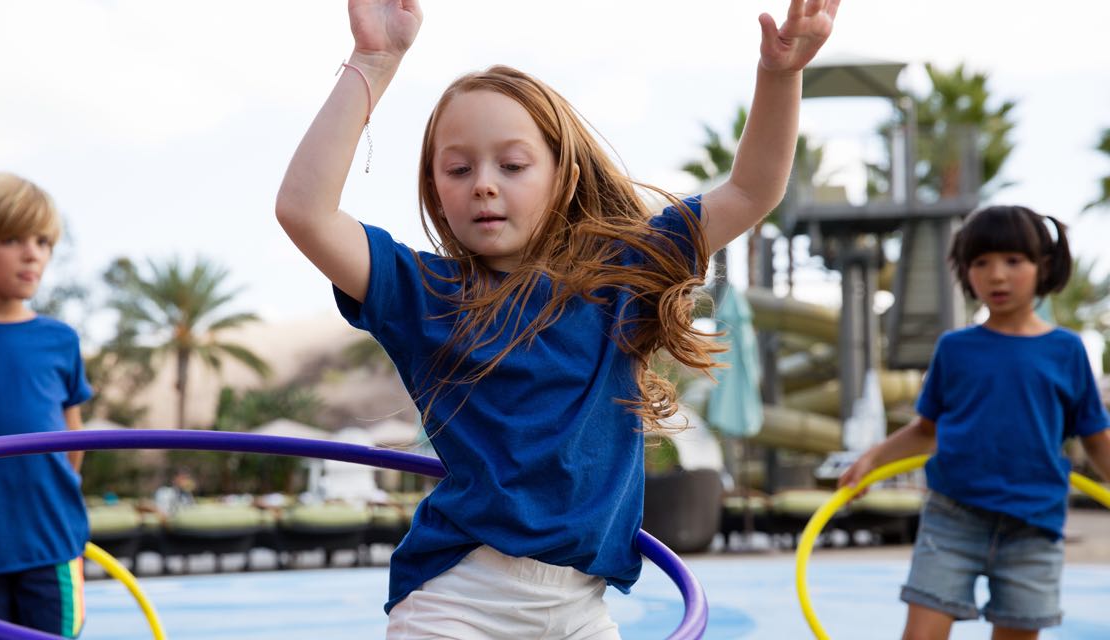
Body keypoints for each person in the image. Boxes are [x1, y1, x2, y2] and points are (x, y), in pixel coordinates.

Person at [276, 0, 838, 636]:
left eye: (512, 166)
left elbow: (751, 190)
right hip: (458, 597)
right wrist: (373, 63)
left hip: (580, 608)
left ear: (564, 177)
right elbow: (305, 212)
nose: (484, 184)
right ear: (436, 190)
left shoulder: (624, 274)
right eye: (458, 169)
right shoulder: (423, 293)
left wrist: (781, 74)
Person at [839, 205, 1110, 640]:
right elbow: (927, 430)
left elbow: (1096, 439)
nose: (996, 275)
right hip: (953, 516)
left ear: (1044, 266)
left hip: (1034, 525)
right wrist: (874, 456)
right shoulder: (955, 349)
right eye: (980, 262)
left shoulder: (1067, 351)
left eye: (1012, 261)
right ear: (965, 272)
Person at [0, 172, 93, 638]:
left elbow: (72, 438)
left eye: (44, 242)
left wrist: (54, 506)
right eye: (12, 238)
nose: (33, 254)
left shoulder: (58, 340)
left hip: (50, 543)